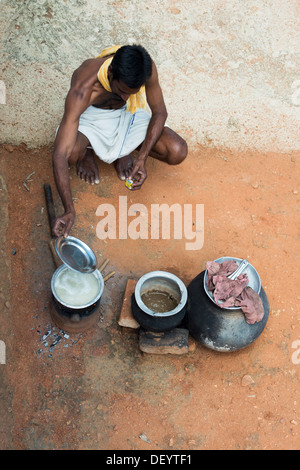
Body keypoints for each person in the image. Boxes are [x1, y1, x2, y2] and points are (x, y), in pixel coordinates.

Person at [52, 44, 188, 237]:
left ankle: (123, 152)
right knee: (71, 152)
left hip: (127, 115)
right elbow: (59, 154)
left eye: (132, 92)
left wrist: (141, 158)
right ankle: (87, 150)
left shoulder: (145, 69)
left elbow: (159, 113)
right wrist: (68, 209)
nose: (125, 96)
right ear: (110, 73)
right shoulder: (84, 87)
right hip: (91, 118)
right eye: (122, 90)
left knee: (176, 150)